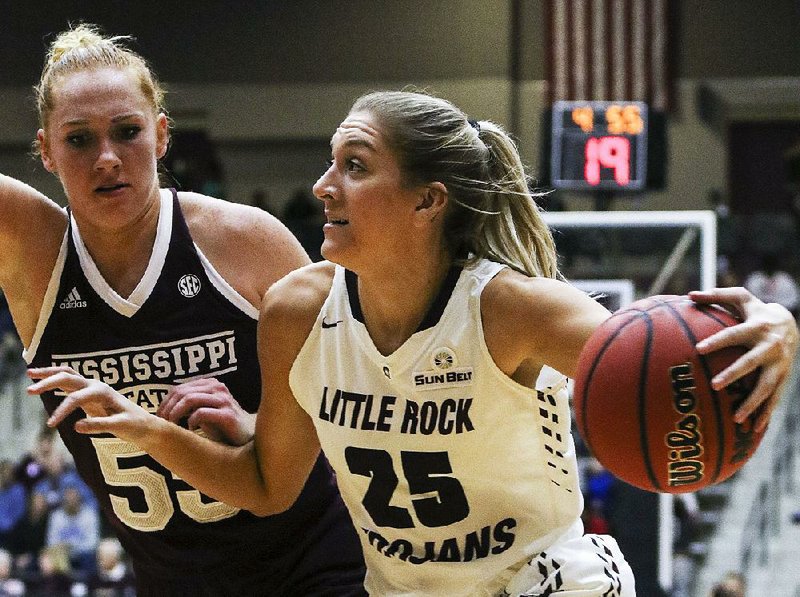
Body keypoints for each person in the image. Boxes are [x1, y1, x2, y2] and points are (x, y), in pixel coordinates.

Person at [29, 90, 799, 595]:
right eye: (331, 164)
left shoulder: (512, 311)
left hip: (541, 583)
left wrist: (780, 323)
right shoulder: (298, 311)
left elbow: (675, 364)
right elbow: (265, 483)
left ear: (428, 200)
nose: (323, 186)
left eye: (354, 166)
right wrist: (144, 428)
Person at [1, 23, 365, 595]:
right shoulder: (32, 249)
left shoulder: (246, 240)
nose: (106, 158)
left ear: (162, 135)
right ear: (44, 149)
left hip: (316, 565)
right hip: (173, 581)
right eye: (78, 140)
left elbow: (365, 385)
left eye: (127, 132)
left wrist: (262, 427)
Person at [744, 253, 799, 318]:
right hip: (759, 313)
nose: (769, 267)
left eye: (772, 265)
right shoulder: (754, 279)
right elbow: (746, 300)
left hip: (781, 314)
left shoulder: (785, 280)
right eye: (767, 265)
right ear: (763, 266)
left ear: (776, 266)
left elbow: (794, 302)